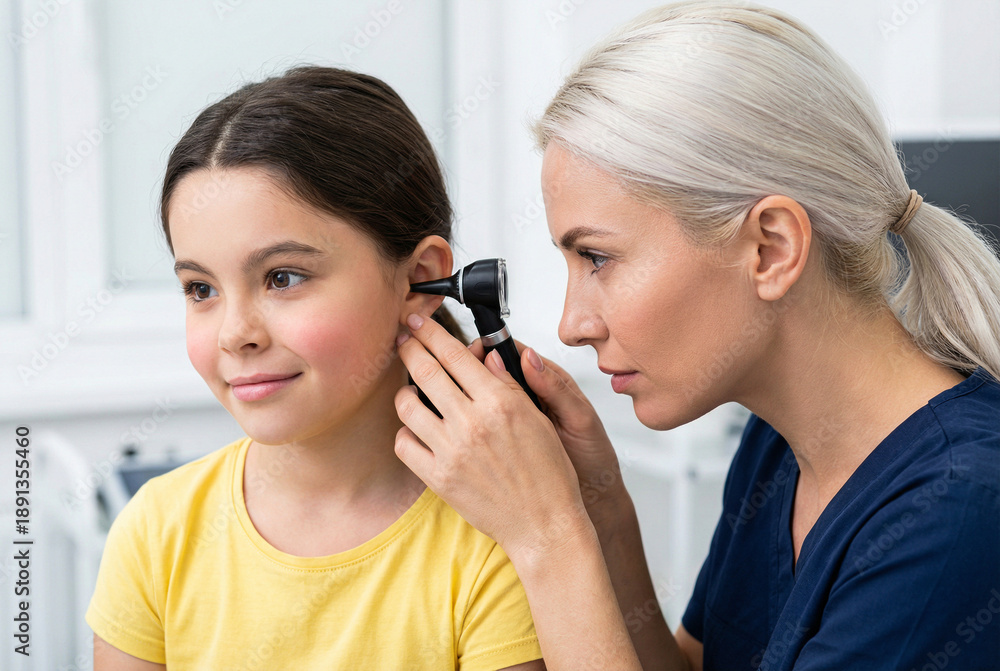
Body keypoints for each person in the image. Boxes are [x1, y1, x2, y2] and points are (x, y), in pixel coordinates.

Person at [391, 2, 1000, 670]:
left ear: (770, 249)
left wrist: (546, 535)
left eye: (598, 258)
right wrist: (600, 509)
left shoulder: (957, 511)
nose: (573, 325)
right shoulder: (780, 444)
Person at [85, 66, 544, 671]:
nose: (235, 334)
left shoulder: (502, 541)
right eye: (200, 289)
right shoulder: (155, 530)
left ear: (417, 280)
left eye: (282, 277)